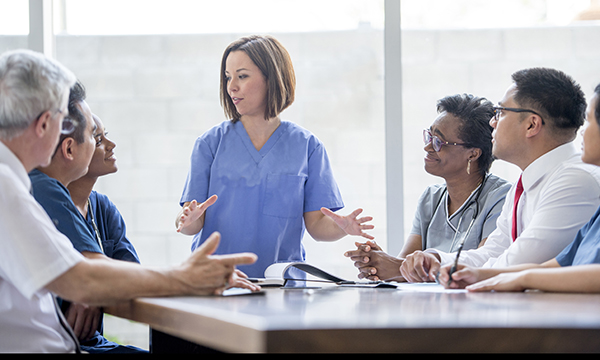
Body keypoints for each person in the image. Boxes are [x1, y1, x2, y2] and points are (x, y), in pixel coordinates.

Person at [0, 49, 259, 353]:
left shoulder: (18, 183)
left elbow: (80, 275)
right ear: (44, 124)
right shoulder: (8, 187)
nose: (64, 134)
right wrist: (188, 276)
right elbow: (80, 278)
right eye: (62, 121)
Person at [176, 35, 374, 278]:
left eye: (242, 76)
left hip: (281, 285)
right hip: (217, 282)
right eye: (228, 77)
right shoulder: (209, 144)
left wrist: (343, 227)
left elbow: (318, 227)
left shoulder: (307, 147)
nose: (231, 87)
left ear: (272, 78)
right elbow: (192, 223)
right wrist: (187, 220)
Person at [400, 67, 600, 283]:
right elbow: (494, 251)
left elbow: (518, 262)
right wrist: (438, 259)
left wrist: (458, 272)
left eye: (501, 113)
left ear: (532, 125)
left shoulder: (576, 180)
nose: (492, 122)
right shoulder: (524, 184)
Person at [344, 94, 511, 282]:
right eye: (429, 136)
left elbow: (486, 264)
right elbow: (403, 265)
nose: (427, 147)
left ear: (472, 154)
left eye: (438, 142)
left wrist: (394, 267)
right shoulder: (431, 198)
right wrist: (376, 262)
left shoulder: (502, 197)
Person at [29, 81, 143, 353]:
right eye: (96, 137)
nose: (108, 145)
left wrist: (93, 285)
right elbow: (96, 274)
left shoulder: (102, 208)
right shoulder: (39, 186)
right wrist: (92, 280)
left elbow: (129, 274)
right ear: (69, 149)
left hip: (87, 343)